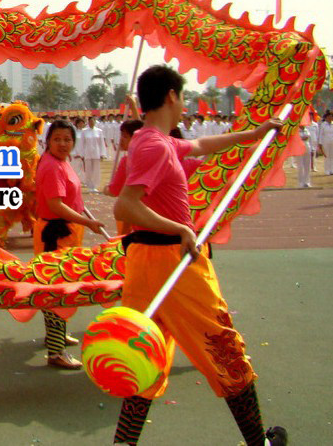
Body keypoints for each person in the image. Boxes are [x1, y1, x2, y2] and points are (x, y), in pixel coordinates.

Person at [112, 65, 286, 446]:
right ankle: (259, 442)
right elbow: (124, 206)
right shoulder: (154, 145)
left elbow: (204, 145)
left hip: (149, 262)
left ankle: (123, 444)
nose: (185, 102)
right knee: (224, 349)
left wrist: (255, 135)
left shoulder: (157, 141)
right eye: (183, 96)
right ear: (172, 96)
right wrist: (181, 228)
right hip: (171, 263)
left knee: (143, 357)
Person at [34, 119, 107, 369]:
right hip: (56, 233)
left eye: (67, 139)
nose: (63, 144)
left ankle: (56, 335)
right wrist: (88, 222)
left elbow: (70, 198)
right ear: (48, 141)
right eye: (57, 139)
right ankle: (56, 352)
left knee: (59, 286)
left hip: (67, 231)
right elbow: (56, 205)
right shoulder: (52, 166)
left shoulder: (61, 162)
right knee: (56, 291)